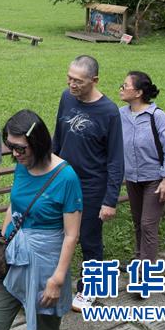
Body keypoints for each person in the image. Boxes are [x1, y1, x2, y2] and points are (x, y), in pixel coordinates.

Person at [0, 110, 82, 330]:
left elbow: (71, 235)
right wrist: (2, 243)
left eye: (20, 148)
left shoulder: (66, 178)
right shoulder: (21, 166)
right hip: (13, 260)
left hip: (46, 267)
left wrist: (58, 279)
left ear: (38, 142)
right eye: (10, 147)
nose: (15, 154)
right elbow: (14, 206)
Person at [51, 55, 123, 311]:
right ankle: (57, 281)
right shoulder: (66, 98)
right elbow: (58, 138)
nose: (72, 84)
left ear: (94, 81)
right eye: (69, 78)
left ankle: (91, 287)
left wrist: (110, 200)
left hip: (92, 186)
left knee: (90, 239)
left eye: (78, 81)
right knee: (59, 234)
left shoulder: (109, 111)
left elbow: (115, 159)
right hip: (63, 181)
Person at [118, 71, 165, 263]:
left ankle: (146, 274)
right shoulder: (121, 114)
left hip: (155, 179)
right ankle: (139, 260)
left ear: (138, 93)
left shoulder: (157, 116)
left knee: (148, 225)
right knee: (138, 223)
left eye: (125, 85)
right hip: (132, 177)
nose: (121, 89)